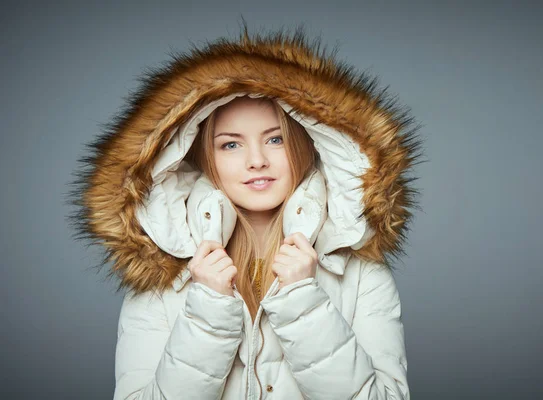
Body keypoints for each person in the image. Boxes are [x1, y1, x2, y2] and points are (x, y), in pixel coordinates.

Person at [71, 25, 421, 400]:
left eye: (275, 139)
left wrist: (304, 300)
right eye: (231, 144)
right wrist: (207, 306)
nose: (256, 161)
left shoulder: (359, 274)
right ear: (204, 155)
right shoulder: (163, 277)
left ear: (306, 144)